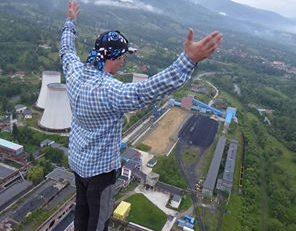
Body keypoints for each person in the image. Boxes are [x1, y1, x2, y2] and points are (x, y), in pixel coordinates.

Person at [60, 1, 223, 231]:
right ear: (115, 57)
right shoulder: (109, 91)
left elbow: (66, 50)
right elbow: (146, 91)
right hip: (100, 173)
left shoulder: (75, 72)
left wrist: (70, 22)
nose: (124, 62)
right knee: (98, 220)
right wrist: (188, 60)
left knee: (82, 212)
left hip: (78, 164)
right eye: (123, 57)